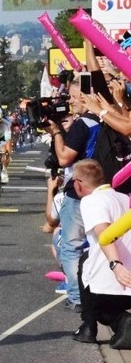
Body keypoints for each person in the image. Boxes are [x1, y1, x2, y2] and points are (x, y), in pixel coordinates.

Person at [46, 79, 101, 312]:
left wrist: (57, 131)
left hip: (78, 189)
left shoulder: (83, 124)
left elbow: (64, 158)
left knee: (70, 247)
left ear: (86, 97)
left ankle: (78, 297)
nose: (70, 102)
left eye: (73, 97)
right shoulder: (103, 120)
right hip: (101, 186)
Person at [72, 159, 131, 347]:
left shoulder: (91, 201)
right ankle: (121, 322)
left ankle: (89, 328)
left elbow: (104, 234)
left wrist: (116, 265)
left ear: (79, 183)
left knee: (84, 262)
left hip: (111, 278)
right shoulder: (122, 198)